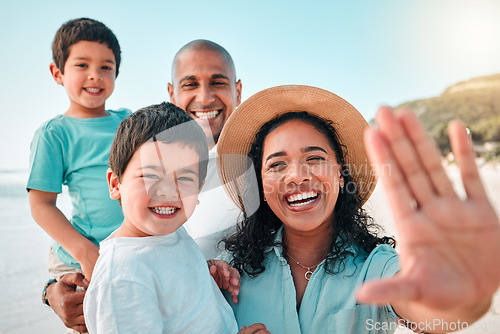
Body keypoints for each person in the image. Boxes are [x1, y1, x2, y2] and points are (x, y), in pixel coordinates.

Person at [216, 85, 500, 333]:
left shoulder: (376, 266)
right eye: (277, 164)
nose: (296, 176)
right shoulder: (228, 271)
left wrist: (462, 292)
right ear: (261, 185)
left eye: (314, 158)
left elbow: (432, 310)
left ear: (341, 175)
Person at [83, 102, 241, 333]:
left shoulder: (172, 232)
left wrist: (202, 275)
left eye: (185, 178)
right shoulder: (122, 279)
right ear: (116, 184)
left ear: (199, 190)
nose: (168, 192)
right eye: (150, 175)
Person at [27, 18, 129, 290]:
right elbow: (41, 205)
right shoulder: (54, 134)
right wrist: (84, 252)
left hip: (127, 248)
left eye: (106, 67)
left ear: (116, 73)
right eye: (82, 65)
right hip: (81, 255)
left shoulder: (129, 122)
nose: (95, 75)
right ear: (57, 73)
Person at [167, 39, 243, 258]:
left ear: (238, 91)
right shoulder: (152, 167)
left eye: (217, 82)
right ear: (172, 95)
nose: (205, 98)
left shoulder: (261, 162)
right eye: (190, 85)